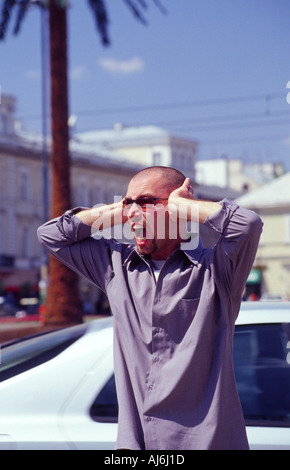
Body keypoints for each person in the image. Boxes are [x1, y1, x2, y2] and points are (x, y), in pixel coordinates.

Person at [37, 166, 263, 450]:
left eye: (145, 202)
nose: (132, 214)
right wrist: (125, 209)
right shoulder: (114, 266)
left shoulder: (217, 270)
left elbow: (248, 224)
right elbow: (51, 235)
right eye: (128, 202)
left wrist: (182, 205)